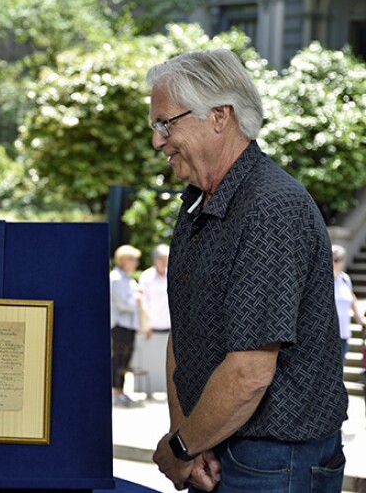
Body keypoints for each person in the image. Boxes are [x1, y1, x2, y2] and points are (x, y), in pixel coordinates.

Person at [148, 49, 347, 492]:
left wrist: (180, 448)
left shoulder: (270, 208)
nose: (158, 141)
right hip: (217, 447)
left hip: (274, 459)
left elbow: (250, 372)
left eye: (166, 123)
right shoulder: (198, 205)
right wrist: (190, 440)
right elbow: (185, 335)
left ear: (219, 116)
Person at [134, 244, 171, 397]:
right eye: (162, 259)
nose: (165, 262)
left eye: (167, 259)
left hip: (170, 325)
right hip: (152, 326)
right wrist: (145, 324)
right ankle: (148, 390)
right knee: (151, 361)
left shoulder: (173, 274)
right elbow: (143, 302)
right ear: (155, 260)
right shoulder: (147, 276)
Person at [110, 244, 143, 408]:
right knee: (119, 358)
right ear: (123, 260)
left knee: (126, 359)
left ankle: (121, 390)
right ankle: (115, 391)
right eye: (133, 259)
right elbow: (123, 303)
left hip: (130, 325)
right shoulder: (115, 279)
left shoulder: (129, 279)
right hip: (119, 325)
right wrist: (137, 298)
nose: (136, 263)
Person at [332, 244, 365, 361]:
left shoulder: (345, 279)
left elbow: (352, 298)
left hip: (343, 334)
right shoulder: (322, 279)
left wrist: (360, 318)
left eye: (336, 260)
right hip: (326, 335)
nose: (333, 263)